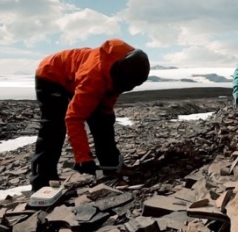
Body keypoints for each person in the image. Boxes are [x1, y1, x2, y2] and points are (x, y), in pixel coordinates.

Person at [29, 39, 150, 191]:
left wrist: (105, 117)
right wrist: (83, 159)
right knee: (54, 126)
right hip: (51, 73)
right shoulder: (94, 77)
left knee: (104, 120)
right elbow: (74, 118)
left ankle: (110, 165)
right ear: (118, 75)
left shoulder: (122, 70)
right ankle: (42, 180)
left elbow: (107, 104)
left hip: (77, 76)